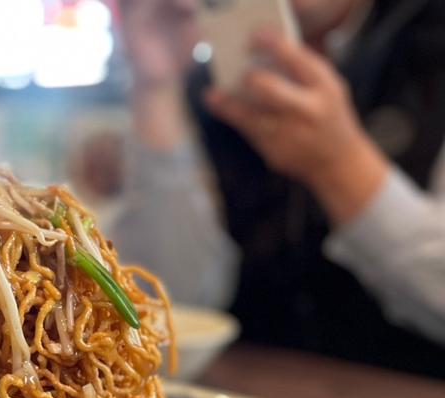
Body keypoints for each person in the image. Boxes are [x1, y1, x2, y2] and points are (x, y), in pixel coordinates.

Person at [113, 0, 445, 377]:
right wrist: (157, 88)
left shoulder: (428, 47)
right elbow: (163, 308)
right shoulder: (211, 74)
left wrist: (340, 164)